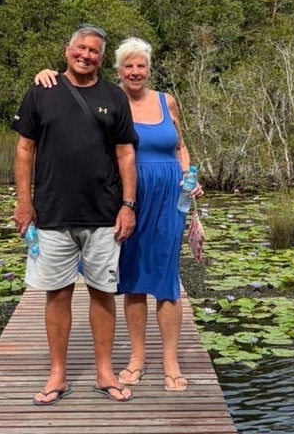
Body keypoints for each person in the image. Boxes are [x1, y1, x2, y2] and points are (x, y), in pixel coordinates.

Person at [34, 36, 202, 392]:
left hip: (170, 196)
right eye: (129, 66)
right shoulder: (109, 99)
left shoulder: (167, 102)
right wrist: (47, 73)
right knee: (133, 279)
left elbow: (181, 146)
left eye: (141, 66)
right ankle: (137, 357)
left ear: (149, 69)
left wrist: (189, 177)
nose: (136, 72)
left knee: (168, 280)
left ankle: (170, 360)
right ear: (119, 70)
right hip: (128, 197)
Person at [12, 25, 139, 405]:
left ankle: (104, 372)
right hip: (52, 213)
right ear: (67, 50)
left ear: (102, 58)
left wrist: (128, 206)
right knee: (58, 294)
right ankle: (57, 375)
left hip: (103, 214)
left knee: (103, 293)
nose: (86, 55)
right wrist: (23, 203)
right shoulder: (41, 91)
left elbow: (125, 155)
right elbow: (23, 150)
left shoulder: (113, 97)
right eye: (80, 48)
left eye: (94, 51)